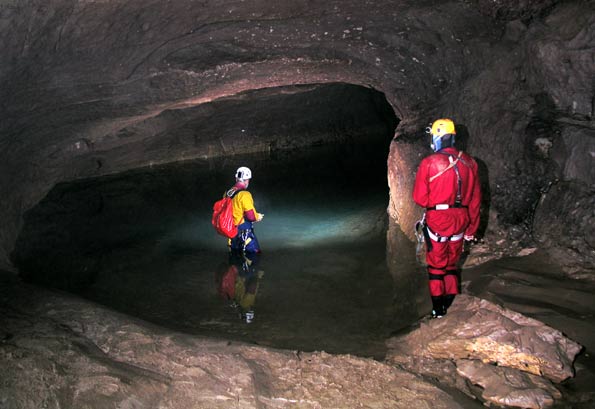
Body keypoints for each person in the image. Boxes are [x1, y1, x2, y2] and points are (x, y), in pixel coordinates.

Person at [412, 119, 481, 318]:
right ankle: (450, 301)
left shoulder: (429, 162)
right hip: (461, 220)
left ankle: (438, 309)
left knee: (436, 265)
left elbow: (419, 198)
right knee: (452, 263)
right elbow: (475, 200)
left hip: (439, 220)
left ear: (437, 138)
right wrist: (471, 229)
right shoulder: (470, 162)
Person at [225, 166, 264, 322]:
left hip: (232, 235)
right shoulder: (245, 194)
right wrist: (257, 217)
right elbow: (250, 215)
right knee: (255, 257)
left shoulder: (229, 192)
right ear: (246, 180)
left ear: (236, 178)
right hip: (245, 234)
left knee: (235, 258)